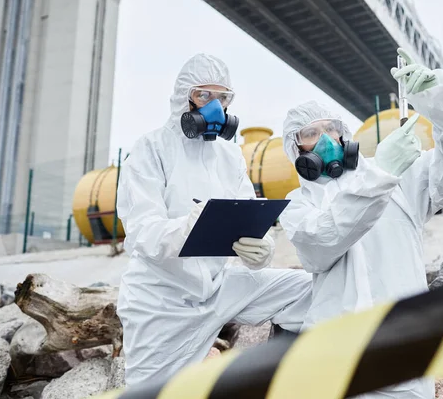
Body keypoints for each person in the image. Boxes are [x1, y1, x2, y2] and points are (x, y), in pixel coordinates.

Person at [279, 48, 443, 398]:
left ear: (345, 134)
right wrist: (383, 174)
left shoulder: (398, 177)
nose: (326, 139)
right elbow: (323, 242)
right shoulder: (298, 205)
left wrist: (436, 100)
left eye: (332, 128)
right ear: (295, 148)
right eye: (311, 133)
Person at [116, 53, 312, 386]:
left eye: (222, 98)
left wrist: (261, 247)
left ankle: (278, 382)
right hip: (161, 300)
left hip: (218, 288)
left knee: (306, 290)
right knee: (148, 394)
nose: (215, 108)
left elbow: (249, 210)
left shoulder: (230, 155)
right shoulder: (151, 149)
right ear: (183, 97)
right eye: (204, 96)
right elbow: (141, 232)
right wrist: (187, 226)